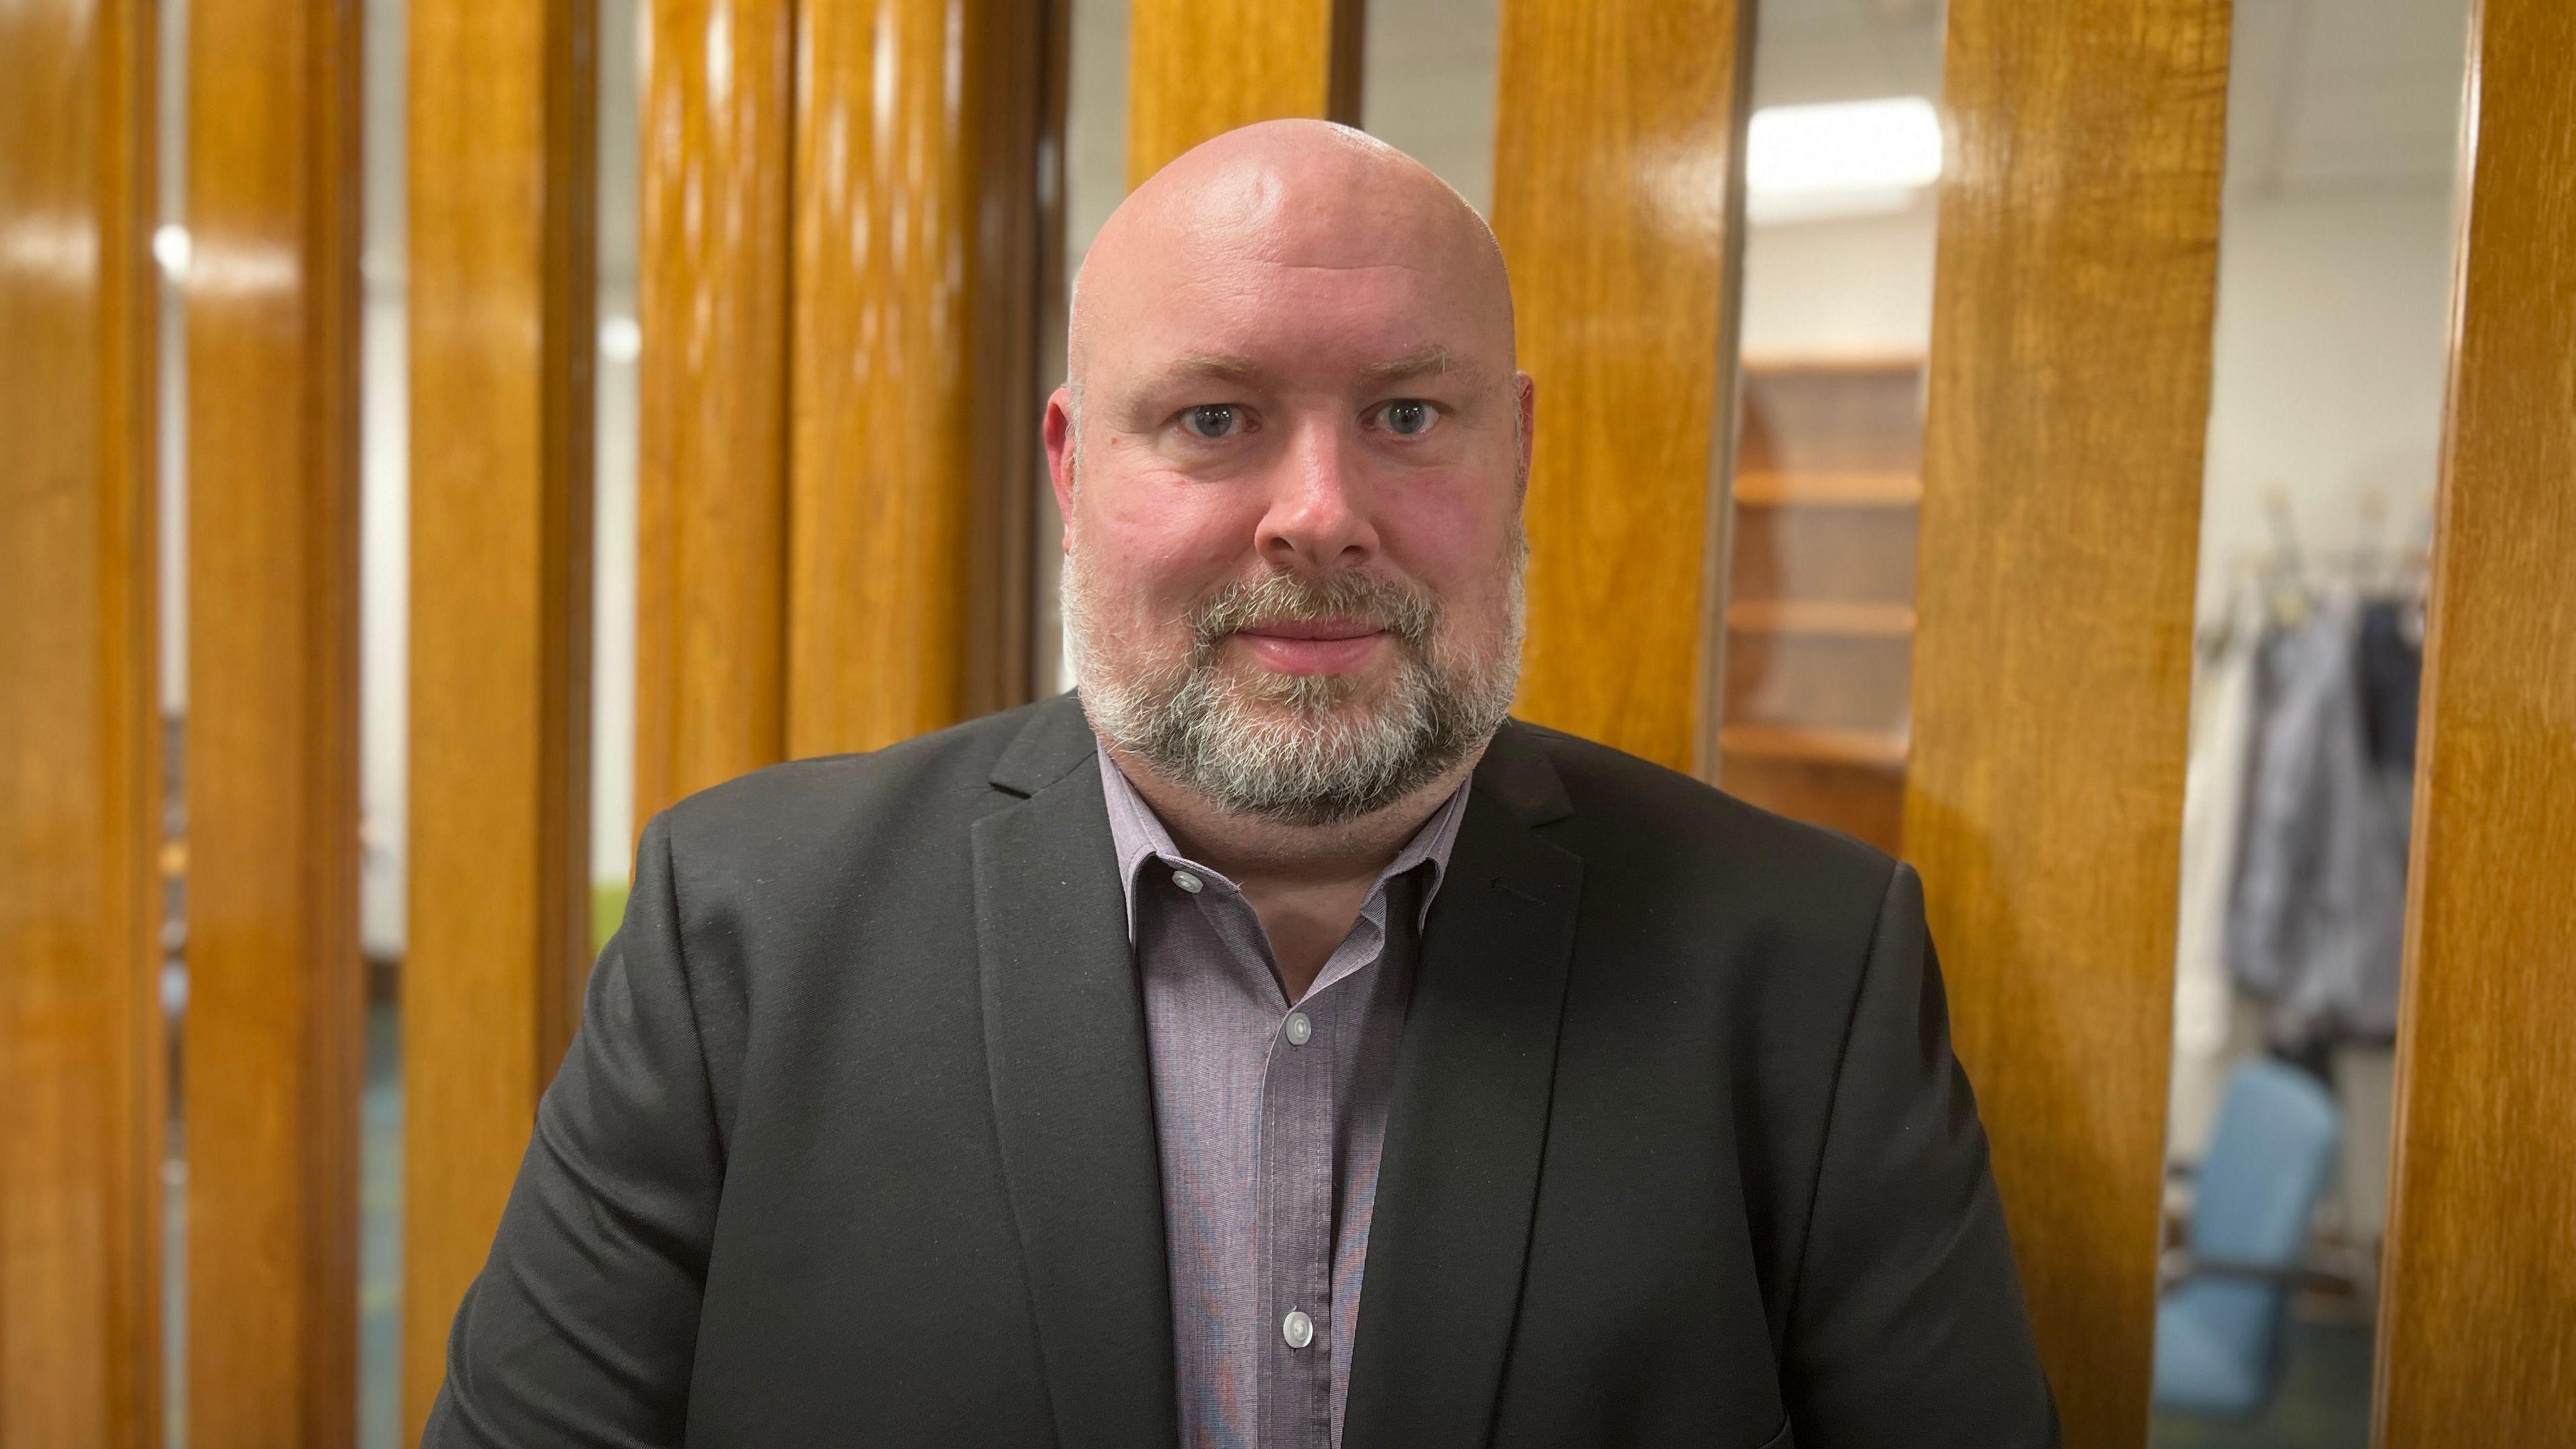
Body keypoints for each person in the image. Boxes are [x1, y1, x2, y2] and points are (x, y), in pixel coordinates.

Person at [426, 119, 2057, 1449]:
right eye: (1217, 418)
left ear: (1518, 456)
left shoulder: (1809, 969)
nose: (1321, 514)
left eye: (1409, 414)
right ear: (1074, 467)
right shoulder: (746, 936)